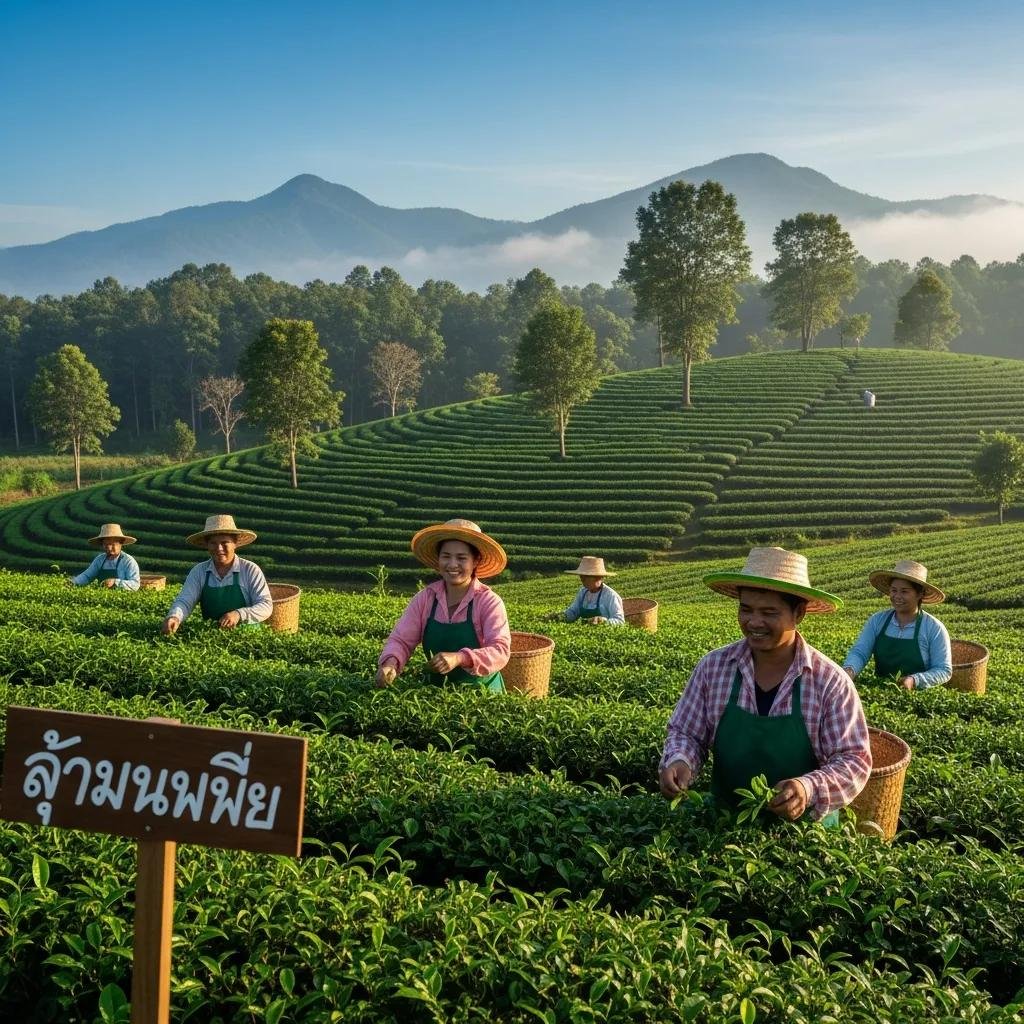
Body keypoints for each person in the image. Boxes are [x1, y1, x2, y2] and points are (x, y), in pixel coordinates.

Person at [659, 546, 871, 823]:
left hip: (804, 835)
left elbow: (853, 760)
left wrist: (807, 789)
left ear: (799, 614)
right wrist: (680, 760)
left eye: (769, 612)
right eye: (746, 609)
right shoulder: (713, 667)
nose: (754, 622)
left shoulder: (829, 682)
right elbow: (686, 733)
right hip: (726, 825)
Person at [376, 518, 510, 692]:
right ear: (438, 559)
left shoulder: (488, 602)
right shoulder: (425, 599)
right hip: (435, 693)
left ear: (475, 561)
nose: (452, 564)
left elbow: (500, 650)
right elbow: (401, 640)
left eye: (461, 558)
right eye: (446, 556)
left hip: (482, 694)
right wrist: (390, 663)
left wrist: (460, 658)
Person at [843, 560, 952, 692]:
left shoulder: (933, 628)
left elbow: (943, 670)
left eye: (904, 591)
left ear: (920, 594)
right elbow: (860, 652)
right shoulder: (877, 621)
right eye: (894, 590)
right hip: (880, 692)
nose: (897, 596)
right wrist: (849, 671)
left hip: (918, 697)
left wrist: (914, 680)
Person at [161, 514, 272, 634]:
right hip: (211, 635)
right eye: (213, 543)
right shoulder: (199, 571)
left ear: (235, 543)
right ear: (207, 545)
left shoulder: (250, 569)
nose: (219, 548)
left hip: (247, 636)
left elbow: (265, 605)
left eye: (225, 542)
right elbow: (185, 600)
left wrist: (238, 614)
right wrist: (174, 617)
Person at [546, 556, 625, 626]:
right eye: (581, 576)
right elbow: (573, 612)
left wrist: (604, 621)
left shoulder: (610, 596)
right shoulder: (583, 592)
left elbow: (620, 621)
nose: (582, 580)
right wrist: (560, 616)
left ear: (598, 577)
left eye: (586, 577)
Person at [71, 523, 141, 591]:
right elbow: (87, 576)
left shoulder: (128, 561)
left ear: (121, 544)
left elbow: (135, 584)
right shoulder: (100, 559)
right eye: (106, 544)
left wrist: (115, 582)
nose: (109, 548)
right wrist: (73, 582)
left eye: (113, 544)